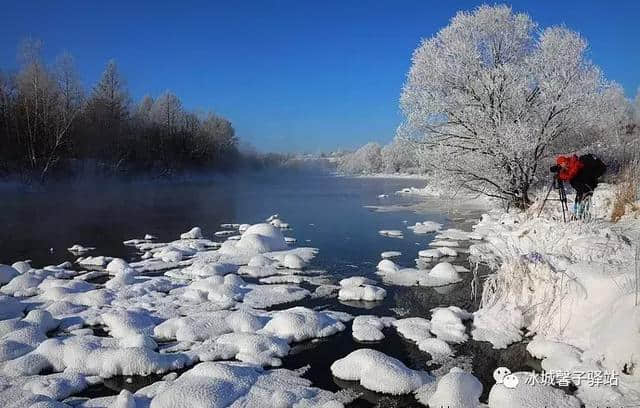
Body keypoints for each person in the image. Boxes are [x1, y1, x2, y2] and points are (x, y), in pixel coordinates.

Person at [551, 154, 606, 218]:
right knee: (579, 195)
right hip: (583, 182)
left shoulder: (574, 162)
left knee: (582, 192)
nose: (561, 166)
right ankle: (578, 213)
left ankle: (582, 213)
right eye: (559, 165)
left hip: (587, 181)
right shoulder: (567, 167)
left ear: (564, 162)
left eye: (561, 164)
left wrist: (560, 175)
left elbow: (571, 174)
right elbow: (569, 175)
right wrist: (560, 173)